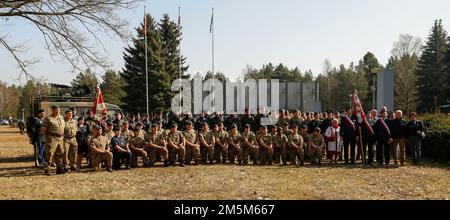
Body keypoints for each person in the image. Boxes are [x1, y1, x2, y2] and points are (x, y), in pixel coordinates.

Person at [41, 105, 65, 176]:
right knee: (49, 154)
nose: (58, 111)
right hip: (52, 138)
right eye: (56, 110)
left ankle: (59, 168)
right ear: (53, 110)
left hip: (60, 138)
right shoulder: (48, 119)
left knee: (60, 153)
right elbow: (43, 129)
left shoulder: (61, 117)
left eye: (59, 110)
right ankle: (47, 169)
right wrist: (47, 137)